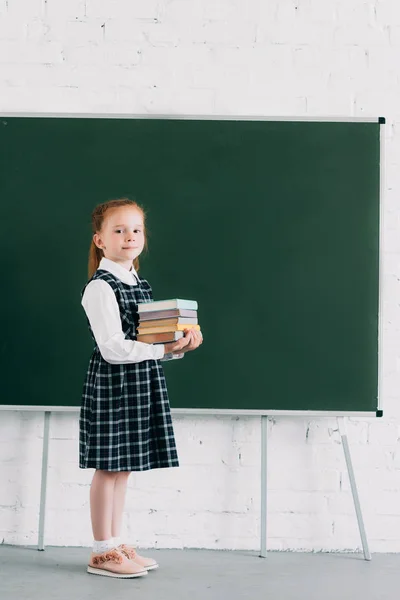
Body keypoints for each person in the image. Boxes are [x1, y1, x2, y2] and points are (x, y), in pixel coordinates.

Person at [79, 198, 203, 578]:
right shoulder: (101, 287)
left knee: (124, 467)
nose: (129, 236)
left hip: (138, 381)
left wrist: (180, 342)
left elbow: (148, 339)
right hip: (114, 384)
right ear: (100, 239)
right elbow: (113, 348)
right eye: (119, 230)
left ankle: (116, 543)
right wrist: (163, 348)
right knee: (108, 466)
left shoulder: (137, 281)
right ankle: (101, 551)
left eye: (136, 229)